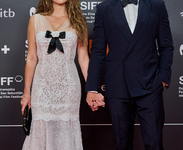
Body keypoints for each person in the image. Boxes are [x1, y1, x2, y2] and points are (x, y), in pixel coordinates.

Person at [86, 0, 174, 149]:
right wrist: (92, 89)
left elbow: (166, 45)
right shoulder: (104, 8)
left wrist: (163, 78)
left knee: (155, 144)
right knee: (122, 144)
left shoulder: (157, 5)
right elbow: (98, 52)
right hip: (118, 86)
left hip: (150, 85)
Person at [20, 0, 91, 149]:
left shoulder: (78, 21)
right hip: (42, 87)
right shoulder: (35, 20)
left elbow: (83, 58)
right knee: (40, 130)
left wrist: (92, 89)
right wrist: (27, 93)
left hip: (69, 88)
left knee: (67, 132)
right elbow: (32, 58)